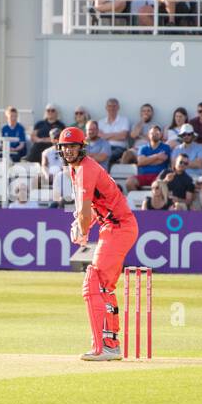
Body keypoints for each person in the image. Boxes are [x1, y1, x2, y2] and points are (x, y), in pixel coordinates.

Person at [57, 126, 139, 361]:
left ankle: (102, 347)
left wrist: (82, 230)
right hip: (113, 226)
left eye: (73, 147)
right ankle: (111, 344)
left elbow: (84, 212)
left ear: (82, 147)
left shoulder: (86, 169)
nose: (69, 151)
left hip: (119, 226)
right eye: (65, 147)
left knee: (93, 282)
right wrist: (84, 225)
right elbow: (93, 208)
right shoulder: (76, 170)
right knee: (104, 286)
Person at [125, 126, 171, 191]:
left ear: (161, 135)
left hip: (159, 176)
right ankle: (139, 198)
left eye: (157, 133)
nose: (154, 135)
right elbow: (140, 162)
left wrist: (146, 161)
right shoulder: (143, 148)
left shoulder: (166, 147)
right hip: (144, 175)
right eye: (152, 133)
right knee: (129, 183)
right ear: (148, 135)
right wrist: (157, 156)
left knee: (158, 185)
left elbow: (160, 161)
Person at [98, 98, 131, 167]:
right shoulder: (100, 122)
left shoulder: (124, 120)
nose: (112, 108)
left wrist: (106, 136)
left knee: (107, 156)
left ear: (118, 107)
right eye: (110, 106)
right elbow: (100, 137)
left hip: (119, 148)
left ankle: (104, 176)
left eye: (114, 106)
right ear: (106, 108)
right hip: (104, 147)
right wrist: (116, 134)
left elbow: (123, 136)